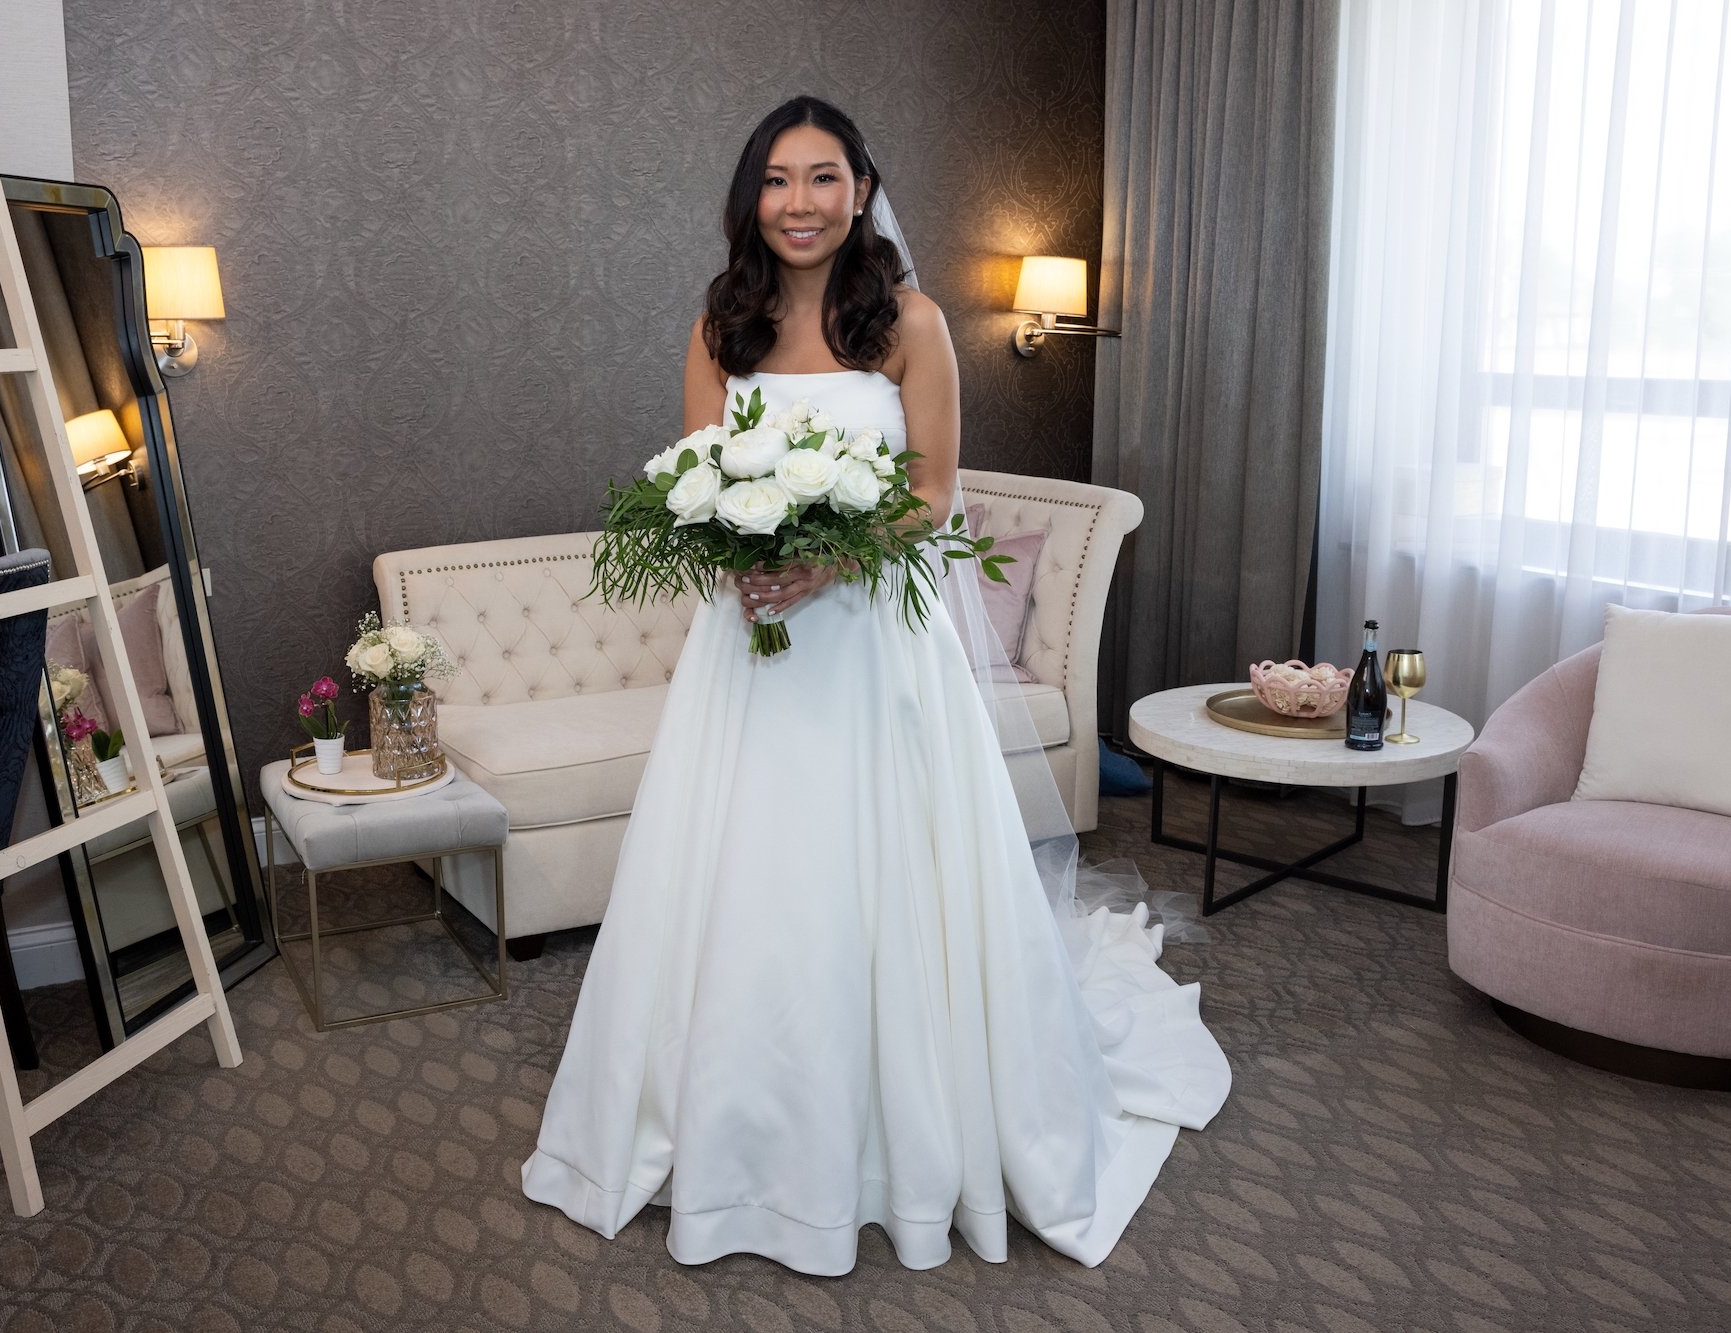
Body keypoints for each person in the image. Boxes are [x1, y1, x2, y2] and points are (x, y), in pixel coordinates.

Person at [520, 95, 1230, 1276]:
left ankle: (905, 1128)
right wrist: (747, 560)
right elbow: (693, 479)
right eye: (777, 181)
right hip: (750, 657)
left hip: (873, 646)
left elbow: (934, 490)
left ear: (859, 190)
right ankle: (733, 1129)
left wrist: (822, 561)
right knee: (746, 876)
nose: (799, 203)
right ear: (751, 197)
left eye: (823, 179)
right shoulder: (718, 324)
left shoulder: (907, 320)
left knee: (888, 873)